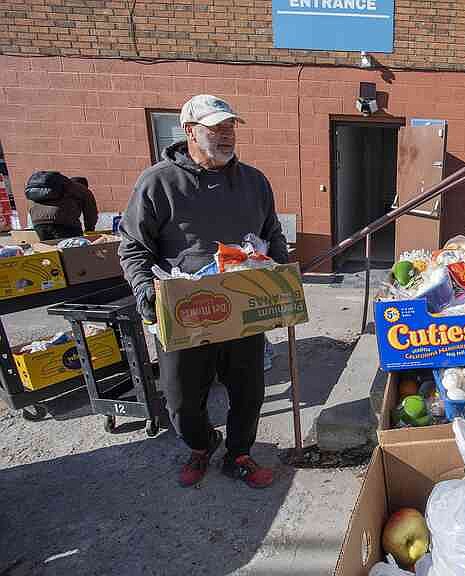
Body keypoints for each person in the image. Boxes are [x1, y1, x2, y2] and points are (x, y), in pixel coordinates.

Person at [118, 95, 290, 489]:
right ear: (190, 131)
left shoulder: (254, 181)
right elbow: (132, 245)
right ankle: (201, 445)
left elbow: (271, 235)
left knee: (248, 390)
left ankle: (239, 454)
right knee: (180, 398)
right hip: (184, 310)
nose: (226, 134)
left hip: (243, 303)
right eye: (216, 127)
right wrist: (145, 289)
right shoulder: (158, 182)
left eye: (230, 126)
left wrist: (281, 280)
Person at [29, 173, 98, 240]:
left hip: (38, 223)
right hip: (64, 223)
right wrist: (89, 230)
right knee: (74, 249)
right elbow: (91, 213)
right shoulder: (83, 189)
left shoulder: (52, 188)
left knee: (50, 248)